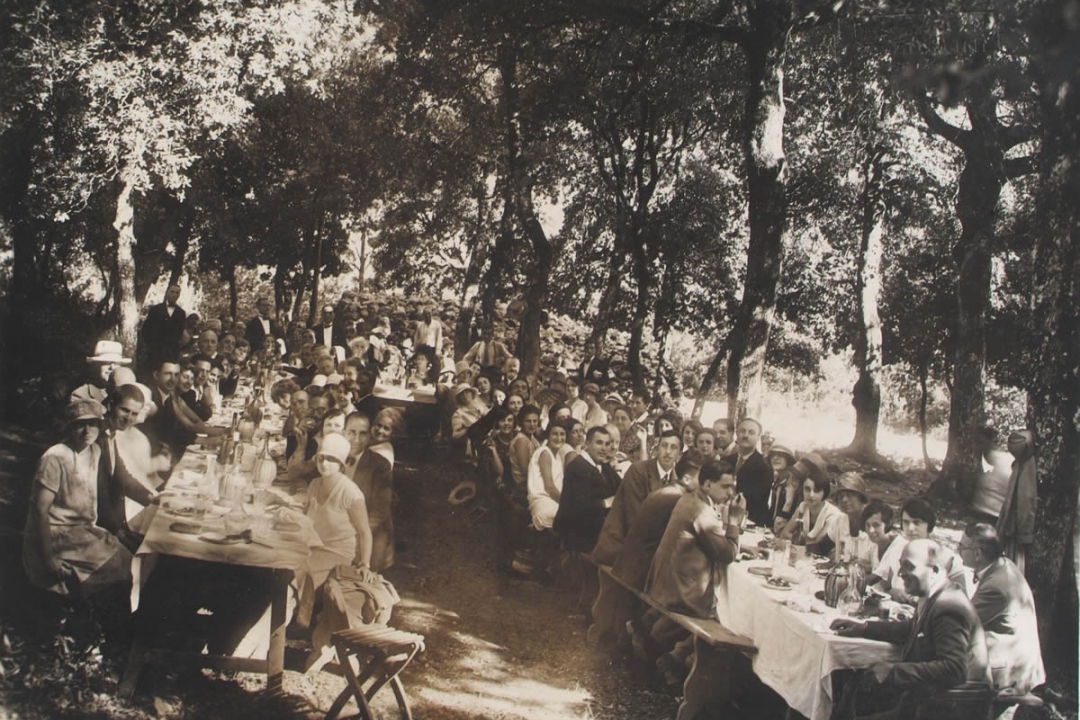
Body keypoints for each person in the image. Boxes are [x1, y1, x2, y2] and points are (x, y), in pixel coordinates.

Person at [831, 539, 991, 720]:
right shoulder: (933, 594)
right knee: (849, 683)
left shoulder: (949, 607)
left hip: (951, 704)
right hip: (929, 695)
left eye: (909, 567)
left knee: (855, 701)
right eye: (901, 565)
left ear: (935, 571)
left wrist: (893, 671)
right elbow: (913, 629)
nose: (900, 573)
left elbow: (954, 668)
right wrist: (864, 628)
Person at [644, 460, 745, 681]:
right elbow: (727, 555)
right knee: (727, 614)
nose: (731, 492)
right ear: (708, 485)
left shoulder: (690, 499)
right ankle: (677, 658)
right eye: (726, 486)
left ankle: (661, 645)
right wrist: (735, 521)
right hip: (680, 589)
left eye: (733, 487)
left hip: (665, 579)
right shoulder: (702, 511)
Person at [23, 399, 133, 597]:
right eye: (79, 425)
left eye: (92, 424)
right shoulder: (55, 457)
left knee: (129, 560)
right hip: (57, 534)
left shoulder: (95, 451)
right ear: (70, 428)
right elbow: (40, 510)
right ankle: (82, 613)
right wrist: (48, 558)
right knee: (114, 569)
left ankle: (98, 612)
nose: (87, 431)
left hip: (84, 531)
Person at [292, 433, 376, 669]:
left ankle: (306, 625)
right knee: (289, 565)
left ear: (341, 463)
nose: (324, 464)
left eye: (331, 459)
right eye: (321, 458)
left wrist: (365, 563)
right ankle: (293, 622)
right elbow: (308, 514)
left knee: (302, 570)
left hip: (339, 553)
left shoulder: (351, 492)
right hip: (314, 546)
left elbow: (364, 532)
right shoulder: (315, 484)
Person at [958, 523, 1045, 696]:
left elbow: (960, 623)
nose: (957, 550)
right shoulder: (1001, 564)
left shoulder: (996, 587)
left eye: (961, 546)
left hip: (1012, 671)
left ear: (977, 553)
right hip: (1011, 656)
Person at [592, 430, 683, 565]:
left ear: (679, 455)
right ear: (657, 449)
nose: (668, 451)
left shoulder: (676, 482)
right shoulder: (639, 471)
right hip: (621, 547)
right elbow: (635, 518)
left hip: (649, 546)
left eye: (673, 447)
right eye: (664, 445)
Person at [869, 497, 970, 603]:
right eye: (906, 522)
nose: (910, 528)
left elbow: (960, 600)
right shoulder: (897, 550)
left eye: (917, 522)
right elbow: (885, 585)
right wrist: (891, 592)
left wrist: (914, 600)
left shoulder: (948, 559)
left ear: (929, 525)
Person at [552, 426, 621, 553]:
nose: (604, 448)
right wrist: (606, 502)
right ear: (587, 443)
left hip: (596, 528)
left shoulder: (603, 466)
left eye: (607, 444)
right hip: (577, 534)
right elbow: (580, 508)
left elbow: (621, 486)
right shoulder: (577, 467)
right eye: (599, 443)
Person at [343, 412, 396, 572]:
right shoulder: (333, 457)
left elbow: (379, 512)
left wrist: (351, 534)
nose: (357, 439)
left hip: (368, 533)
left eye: (363, 433)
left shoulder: (380, 465)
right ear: (343, 432)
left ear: (369, 435)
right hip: (337, 530)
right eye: (351, 432)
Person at [780, 473, 848, 557]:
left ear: (825, 492)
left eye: (816, 490)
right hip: (804, 556)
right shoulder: (803, 506)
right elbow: (784, 534)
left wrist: (797, 540)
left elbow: (817, 545)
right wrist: (801, 541)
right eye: (807, 489)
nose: (811, 495)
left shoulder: (833, 515)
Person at [997, 430, 1036, 572]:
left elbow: (1026, 501)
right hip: (1013, 526)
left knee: (1015, 565)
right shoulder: (1022, 465)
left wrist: (1025, 533)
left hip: (1016, 527)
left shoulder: (1027, 467)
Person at [526, 418, 573, 530]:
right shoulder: (545, 453)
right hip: (543, 502)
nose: (559, 438)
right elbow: (549, 487)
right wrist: (566, 505)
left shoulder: (556, 457)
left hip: (550, 502)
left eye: (562, 434)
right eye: (555, 434)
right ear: (548, 436)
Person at [732, 418, 773, 526]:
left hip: (750, 522)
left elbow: (756, 499)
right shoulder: (727, 461)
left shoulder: (764, 467)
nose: (745, 435)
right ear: (736, 433)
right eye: (742, 431)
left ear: (758, 437)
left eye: (751, 432)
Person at [140, 283, 186, 371]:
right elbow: (145, 330)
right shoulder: (155, 310)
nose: (174, 295)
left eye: (177, 293)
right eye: (172, 292)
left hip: (172, 353)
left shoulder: (181, 313)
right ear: (167, 293)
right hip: (155, 352)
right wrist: (152, 346)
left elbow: (179, 333)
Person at [767, 443, 801, 533]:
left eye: (780, 455)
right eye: (773, 455)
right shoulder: (777, 482)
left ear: (788, 459)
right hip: (772, 530)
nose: (775, 458)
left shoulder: (793, 484)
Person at [834, 472, 871, 537]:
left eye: (849, 495)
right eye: (841, 496)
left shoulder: (873, 523)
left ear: (861, 497)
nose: (844, 500)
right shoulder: (838, 521)